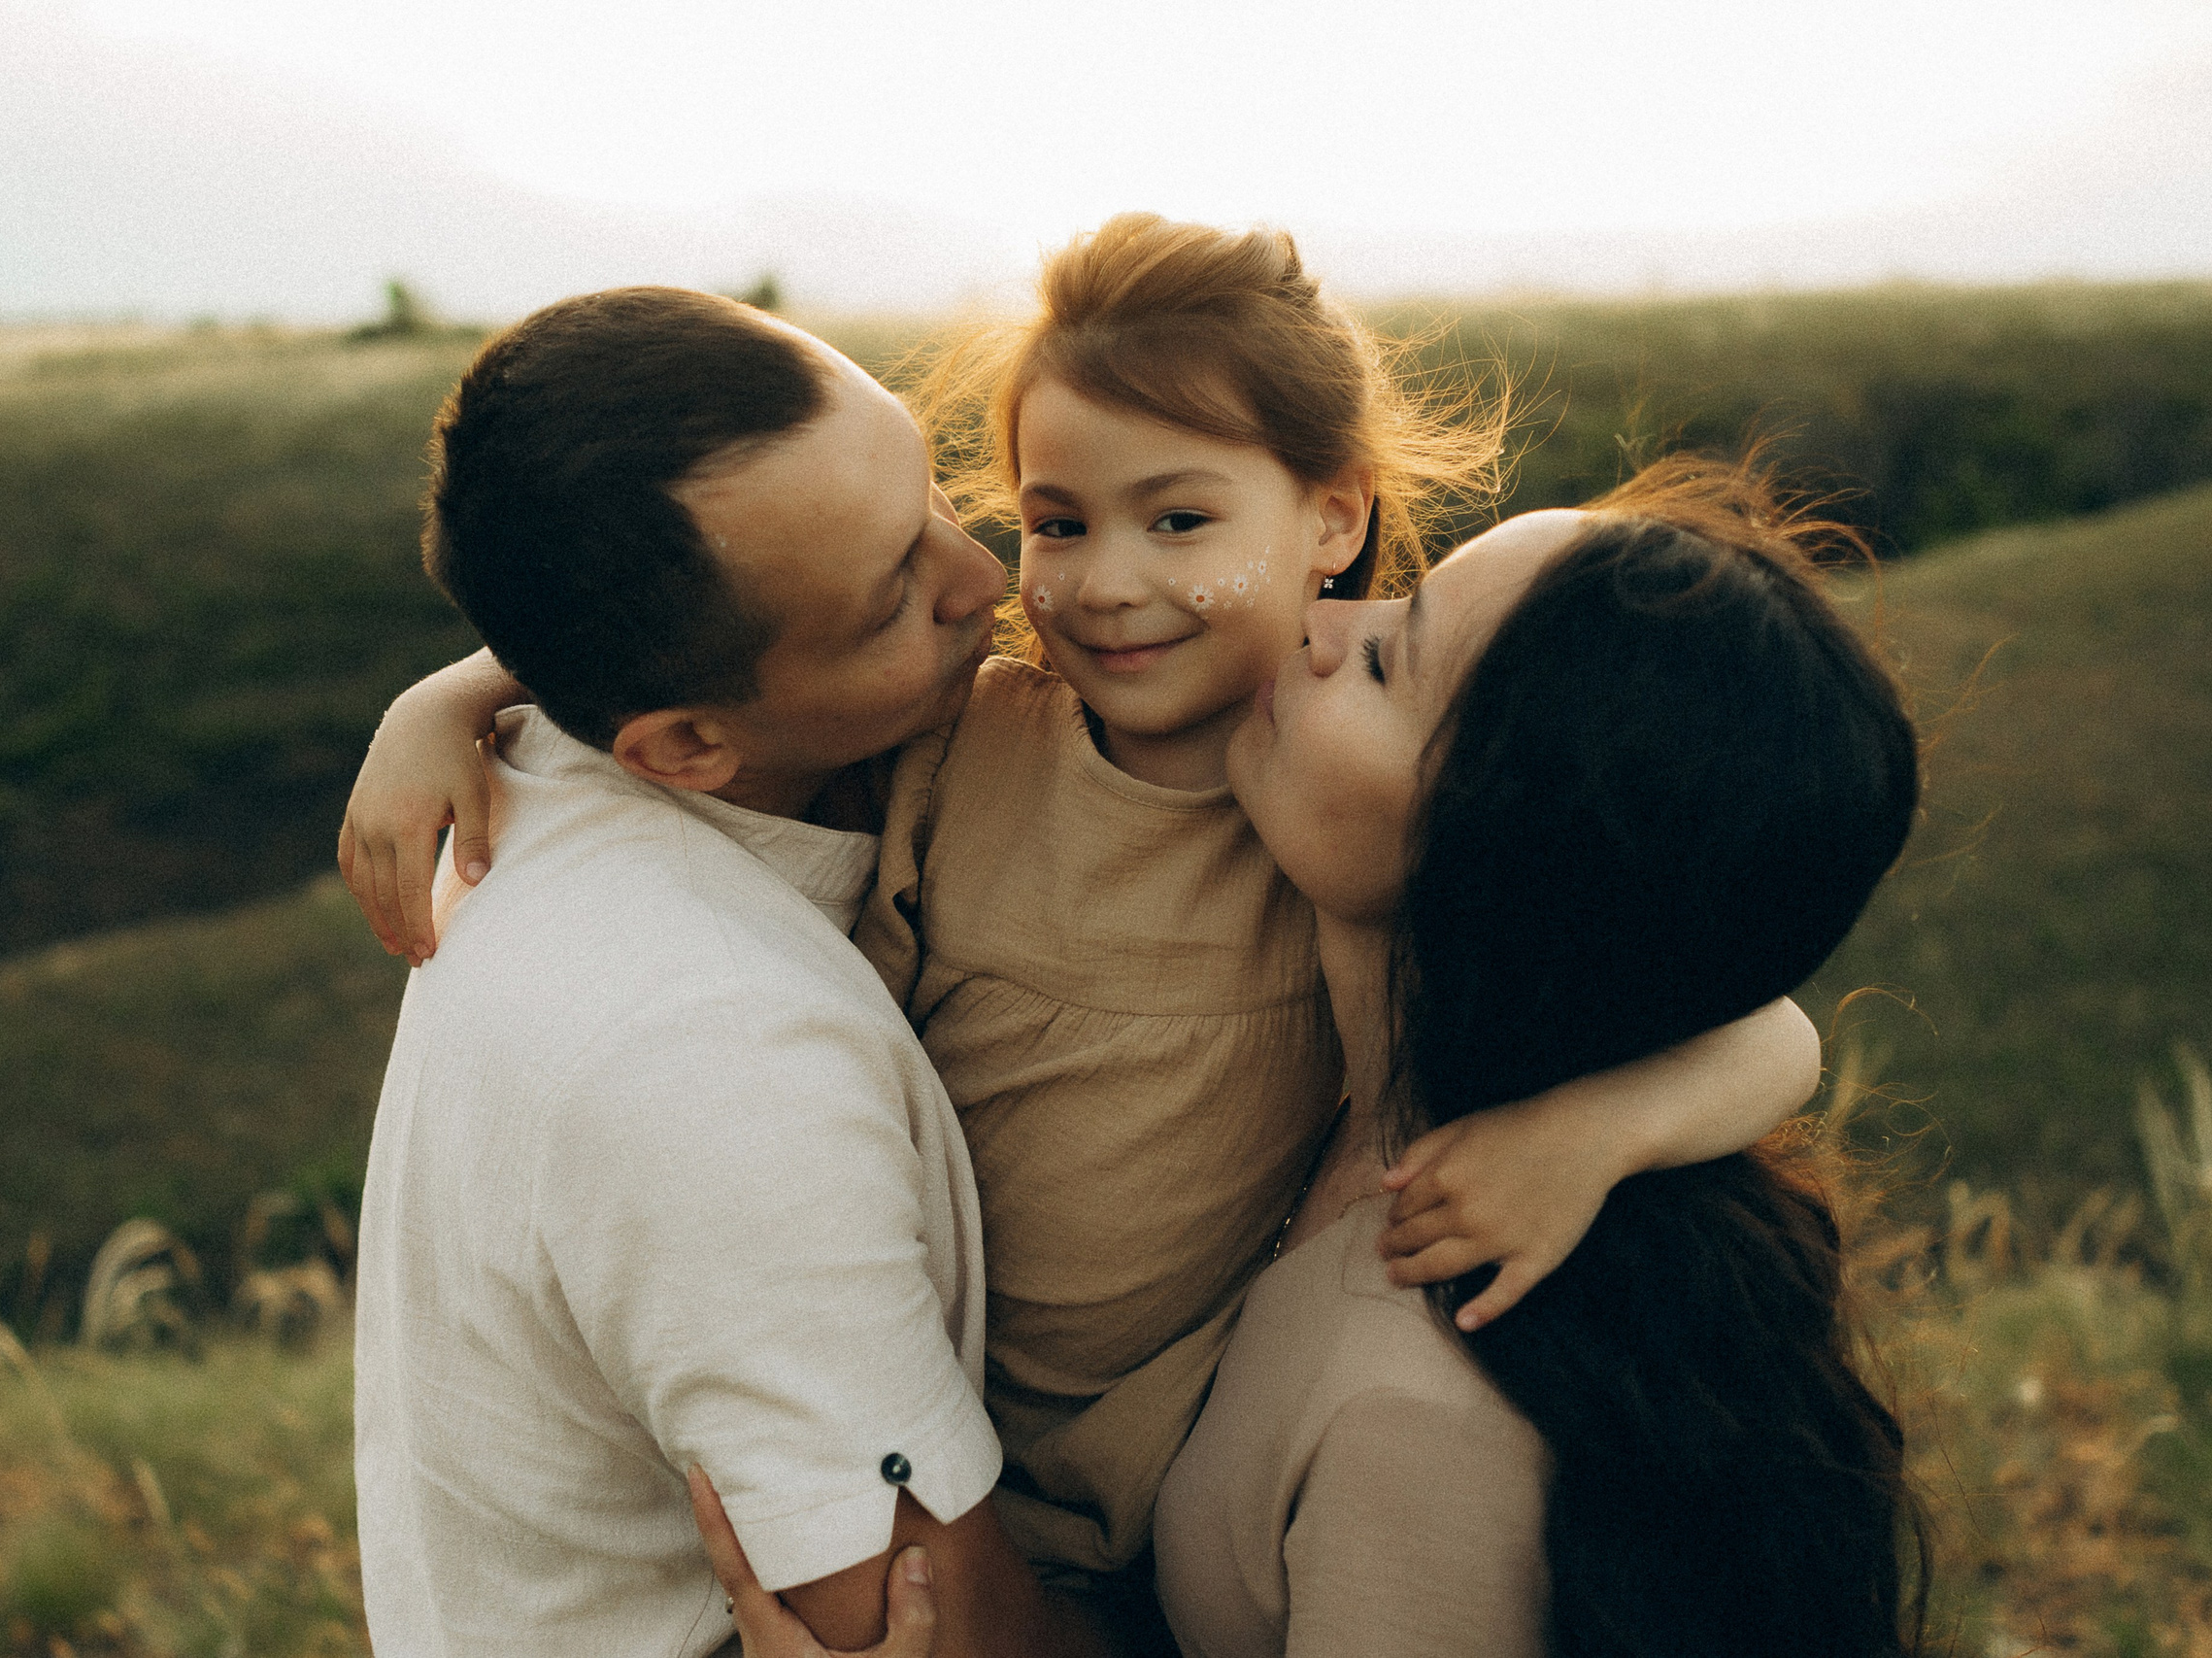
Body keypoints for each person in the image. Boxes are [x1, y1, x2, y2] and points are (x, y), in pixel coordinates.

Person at [344, 219, 1825, 1619]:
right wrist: (461, 692)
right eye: (1057, 519)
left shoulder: (1338, 807)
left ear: (1333, 511)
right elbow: (689, 658)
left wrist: (1596, 1131)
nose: (1095, 583)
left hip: (1158, 1494)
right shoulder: (965, 732)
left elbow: (1762, 1024)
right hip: (939, 1432)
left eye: (1178, 519)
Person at [693, 461, 1926, 1657]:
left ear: (1504, 857)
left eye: (1392, 660)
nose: (1329, 621)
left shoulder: (1418, 1409)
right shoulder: (1411, 1103)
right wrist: (515, 685)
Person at [352, 285, 1108, 1658]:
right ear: (686, 745)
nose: (980, 575)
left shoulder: (556, 759)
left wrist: (451, 685)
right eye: (893, 597)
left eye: (928, 489)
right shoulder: (713, 1058)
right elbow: (925, 1628)